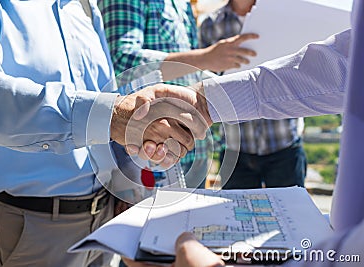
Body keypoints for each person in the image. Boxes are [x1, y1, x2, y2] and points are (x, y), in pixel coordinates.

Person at [0, 1, 208, 266]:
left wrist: (128, 197)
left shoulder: (85, 7)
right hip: (30, 230)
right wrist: (112, 116)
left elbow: (105, 107)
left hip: (104, 224)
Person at [125, 0, 364, 265]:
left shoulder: (285, 13)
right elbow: (341, 65)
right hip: (235, 150)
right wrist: (205, 103)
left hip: (283, 148)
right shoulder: (208, 24)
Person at [97, 0, 258, 188]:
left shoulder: (183, 4)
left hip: (193, 149)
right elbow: (122, 61)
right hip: (151, 154)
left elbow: (189, 71)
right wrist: (206, 58)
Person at [200, 0, 307, 189]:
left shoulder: (282, 17)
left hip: (284, 143)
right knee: (237, 216)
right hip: (235, 148)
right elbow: (206, 77)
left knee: (289, 215)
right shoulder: (210, 24)